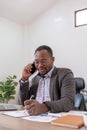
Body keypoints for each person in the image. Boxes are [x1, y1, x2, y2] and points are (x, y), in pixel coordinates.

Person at [19, 45, 76, 115]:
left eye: (43, 61)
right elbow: (24, 102)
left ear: (52, 59)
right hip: (35, 117)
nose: (40, 65)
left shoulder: (64, 74)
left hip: (55, 118)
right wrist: (24, 79)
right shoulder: (35, 79)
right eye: (36, 62)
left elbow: (68, 102)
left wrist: (43, 107)